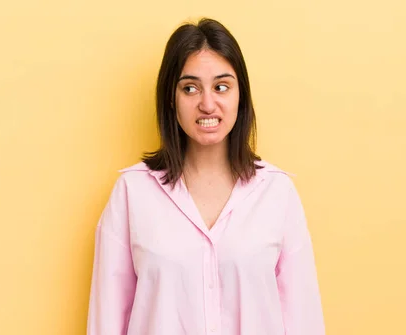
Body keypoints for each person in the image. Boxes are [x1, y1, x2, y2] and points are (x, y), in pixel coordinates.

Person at [87, 18, 325, 335]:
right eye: (190, 88)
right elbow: (107, 321)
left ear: (241, 97)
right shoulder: (131, 194)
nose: (207, 104)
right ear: (171, 99)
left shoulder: (278, 194)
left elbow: (303, 320)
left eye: (221, 86)